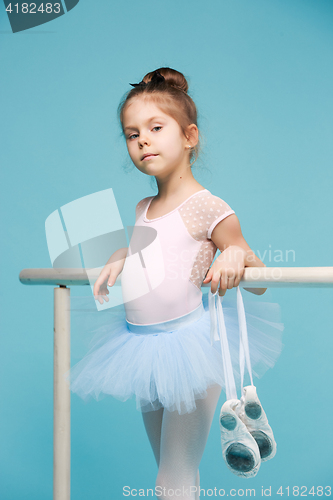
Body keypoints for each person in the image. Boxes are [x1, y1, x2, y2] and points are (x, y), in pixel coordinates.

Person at [66, 68, 283, 499]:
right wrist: (123, 253)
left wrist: (235, 253)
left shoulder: (207, 206)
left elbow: (257, 279)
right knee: (175, 474)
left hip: (190, 348)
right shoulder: (143, 205)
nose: (142, 140)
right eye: (132, 134)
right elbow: (156, 254)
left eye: (155, 128)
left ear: (189, 136)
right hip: (142, 349)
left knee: (172, 478)